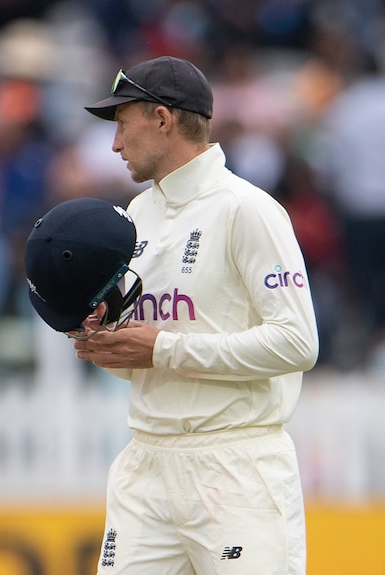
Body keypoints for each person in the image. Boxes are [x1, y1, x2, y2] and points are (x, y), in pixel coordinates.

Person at [27, 56, 319, 574]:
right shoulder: (136, 215)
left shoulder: (246, 209)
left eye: (121, 125)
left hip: (236, 466)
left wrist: (162, 348)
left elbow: (298, 344)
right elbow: (145, 359)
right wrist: (107, 347)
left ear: (162, 119)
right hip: (147, 460)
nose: (115, 144)